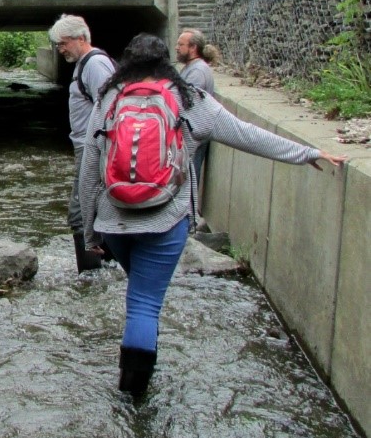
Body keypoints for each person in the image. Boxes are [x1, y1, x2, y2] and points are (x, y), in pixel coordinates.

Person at [79, 33, 347, 396]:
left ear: (125, 62)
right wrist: (306, 152)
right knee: (145, 302)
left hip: (116, 221)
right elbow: (247, 135)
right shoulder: (190, 100)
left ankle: (130, 391)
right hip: (166, 220)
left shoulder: (109, 99)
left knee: (139, 296)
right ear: (167, 65)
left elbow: (88, 171)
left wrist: (91, 232)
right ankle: (135, 395)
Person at [49, 14, 115, 272]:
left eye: (63, 43)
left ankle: (90, 276)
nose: (60, 49)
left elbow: (111, 110)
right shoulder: (83, 63)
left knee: (80, 212)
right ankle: (107, 267)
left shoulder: (95, 65)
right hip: (87, 147)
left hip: (94, 149)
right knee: (94, 208)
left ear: (80, 38)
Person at [175, 28, 221, 184]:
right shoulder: (192, 67)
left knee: (189, 181)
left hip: (194, 135)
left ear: (193, 48)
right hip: (191, 133)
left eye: (181, 44)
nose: (177, 48)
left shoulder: (198, 72)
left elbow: (187, 103)